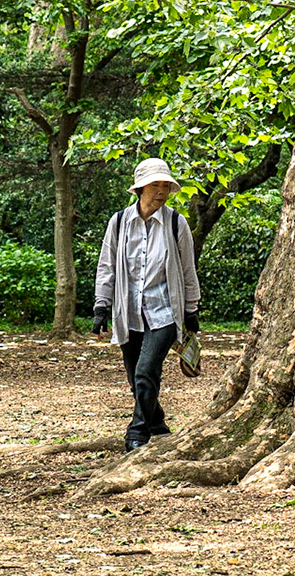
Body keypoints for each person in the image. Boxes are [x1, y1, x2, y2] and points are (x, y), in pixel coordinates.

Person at [93, 157, 203, 451]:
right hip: (129, 312)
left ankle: (137, 432)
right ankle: (158, 425)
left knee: (145, 372)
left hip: (165, 312)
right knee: (136, 379)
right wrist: (101, 307)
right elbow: (107, 267)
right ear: (140, 188)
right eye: (156, 185)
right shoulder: (118, 223)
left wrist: (191, 312)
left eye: (166, 185)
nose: (162, 191)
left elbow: (187, 270)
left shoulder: (177, 223)